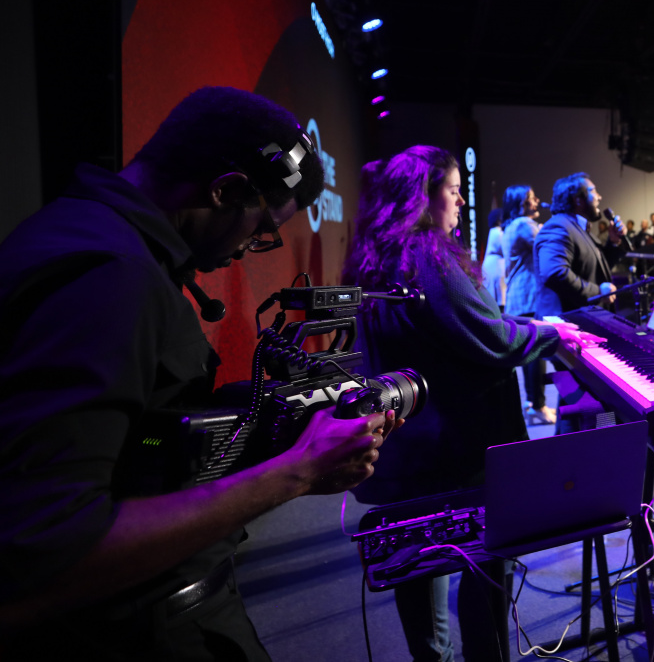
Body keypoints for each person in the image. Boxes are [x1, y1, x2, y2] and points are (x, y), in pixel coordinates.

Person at [0, 87, 397, 658]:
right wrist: (300, 470)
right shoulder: (114, 279)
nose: (251, 246)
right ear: (227, 190)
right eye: (262, 228)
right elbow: (48, 558)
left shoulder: (78, 233)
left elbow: (139, 441)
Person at [345, 146, 600, 662]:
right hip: (457, 447)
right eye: (454, 190)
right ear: (422, 195)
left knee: (419, 565)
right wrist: (551, 335)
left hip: (408, 445)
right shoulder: (427, 254)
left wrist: (532, 329)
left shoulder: (379, 253)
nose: (461, 201)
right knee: (485, 561)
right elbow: (491, 338)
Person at [535, 172, 628, 316]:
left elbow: (594, 270)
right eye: (593, 191)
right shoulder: (558, 226)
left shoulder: (579, 230)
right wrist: (597, 292)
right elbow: (554, 272)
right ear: (578, 199)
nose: (599, 197)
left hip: (580, 319)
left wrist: (614, 242)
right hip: (565, 323)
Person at [502, 183, 554, 424]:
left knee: (528, 352)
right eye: (530, 199)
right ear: (519, 205)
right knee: (536, 353)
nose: (536, 202)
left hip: (518, 298)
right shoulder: (524, 224)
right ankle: (538, 406)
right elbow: (547, 245)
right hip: (528, 296)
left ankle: (533, 404)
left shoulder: (511, 225)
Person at [482, 207, 506, 304]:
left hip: (491, 265)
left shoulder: (493, 231)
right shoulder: (498, 232)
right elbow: (506, 248)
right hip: (496, 266)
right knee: (499, 297)